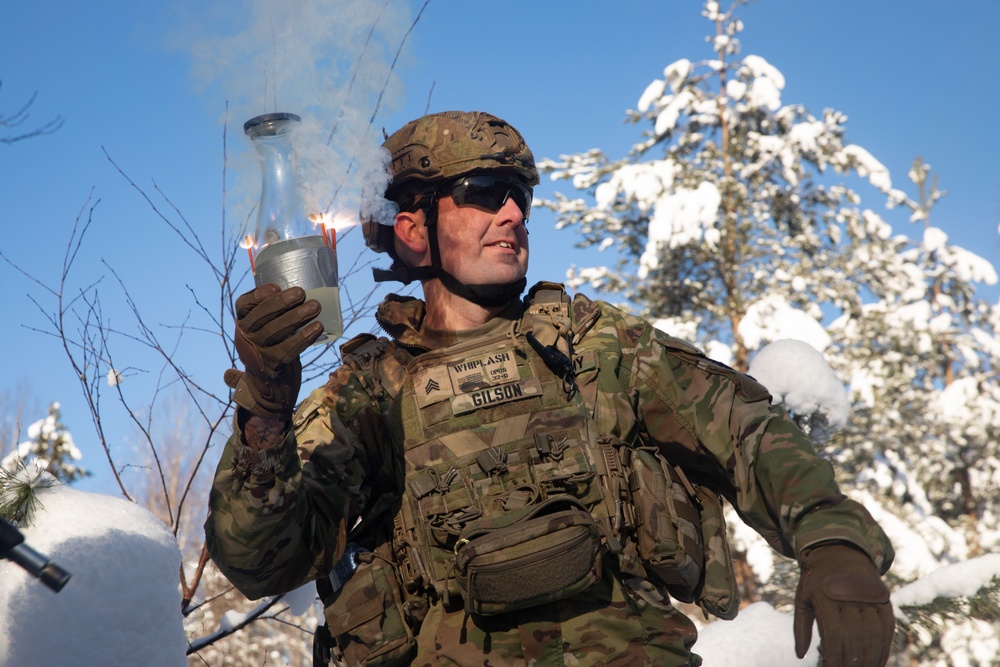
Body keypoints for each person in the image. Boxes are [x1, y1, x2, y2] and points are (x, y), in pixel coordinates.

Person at [206, 110, 895, 667]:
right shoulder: (369, 394)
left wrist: (833, 540)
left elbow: (745, 430)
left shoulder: (595, 346)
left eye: (520, 195)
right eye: (481, 192)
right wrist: (267, 406)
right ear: (413, 229)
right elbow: (261, 559)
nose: (512, 213)